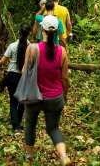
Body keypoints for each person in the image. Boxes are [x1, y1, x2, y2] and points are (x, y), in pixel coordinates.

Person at [23, 15, 71, 165]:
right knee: (53, 128)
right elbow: (64, 79)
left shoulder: (32, 48)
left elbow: (24, 72)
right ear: (56, 32)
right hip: (55, 97)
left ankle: (29, 157)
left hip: (34, 97)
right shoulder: (62, 51)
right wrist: (65, 95)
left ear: (41, 30)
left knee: (30, 125)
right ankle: (63, 157)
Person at [0, 25, 30, 131]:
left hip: (12, 76)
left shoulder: (12, 46)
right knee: (22, 102)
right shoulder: (30, 46)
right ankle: (18, 123)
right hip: (24, 77)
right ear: (28, 34)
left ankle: (16, 126)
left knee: (13, 101)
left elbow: (3, 61)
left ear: (19, 33)